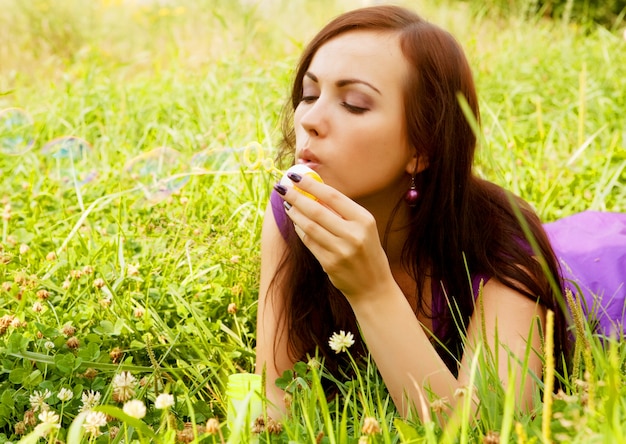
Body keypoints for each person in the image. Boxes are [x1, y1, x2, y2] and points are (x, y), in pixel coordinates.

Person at [254, 4, 625, 420]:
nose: (311, 119)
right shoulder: (295, 210)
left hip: (602, 275)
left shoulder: (501, 246)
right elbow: (274, 400)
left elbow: (483, 429)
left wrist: (371, 290)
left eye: (354, 103)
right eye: (309, 93)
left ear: (422, 147)